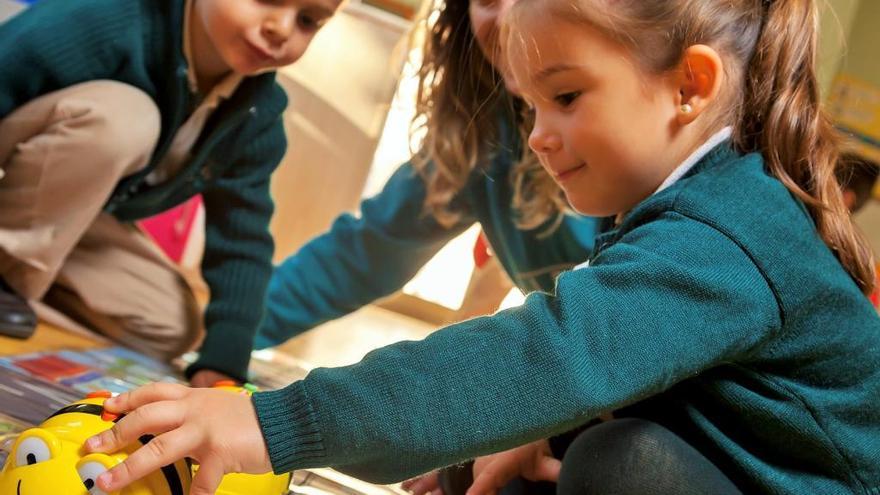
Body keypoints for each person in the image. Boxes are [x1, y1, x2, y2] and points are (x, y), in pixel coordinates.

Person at [85, 0, 880, 494]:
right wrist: (530, 433)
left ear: (689, 86)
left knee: (623, 466)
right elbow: (638, 371)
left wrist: (276, 423)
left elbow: (544, 356)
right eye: (529, 106)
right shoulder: (689, 200)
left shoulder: (722, 231)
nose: (537, 135)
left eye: (564, 97)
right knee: (560, 455)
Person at [0, 0, 341, 385]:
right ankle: (10, 281)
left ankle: (24, 285)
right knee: (125, 119)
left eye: (308, 20)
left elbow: (242, 239)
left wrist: (224, 364)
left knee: (172, 325)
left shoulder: (257, 114)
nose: (281, 27)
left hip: (68, 218)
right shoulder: (105, 19)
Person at [251, 0, 600, 352]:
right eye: (487, 0)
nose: (509, 16)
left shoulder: (633, 156)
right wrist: (226, 337)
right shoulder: (481, 136)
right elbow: (365, 254)